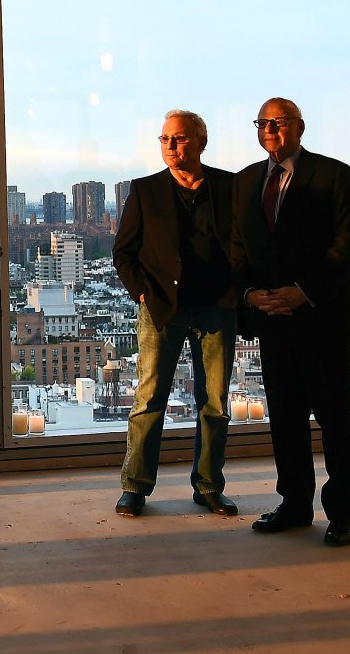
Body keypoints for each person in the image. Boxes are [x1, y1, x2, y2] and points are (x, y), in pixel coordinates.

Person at [231, 97, 350, 546]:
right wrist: (250, 294)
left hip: (323, 319)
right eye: (262, 123)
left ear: (300, 127)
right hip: (273, 320)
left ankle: (342, 512)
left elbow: (348, 243)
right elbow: (236, 246)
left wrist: (303, 291)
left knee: (334, 419)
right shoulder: (246, 181)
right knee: (285, 420)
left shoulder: (333, 175)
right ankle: (294, 504)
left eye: (279, 122)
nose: (269, 129)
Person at [113, 110, 238, 517]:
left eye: (180, 138)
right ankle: (135, 485)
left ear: (201, 141)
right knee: (149, 398)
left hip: (216, 307)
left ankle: (208, 486)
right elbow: (123, 252)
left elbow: (244, 245)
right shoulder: (146, 190)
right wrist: (143, 294)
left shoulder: (229, 186)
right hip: (162, 309)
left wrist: (234, 291)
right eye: (165, 138)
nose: (170, 145)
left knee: (215, 402)